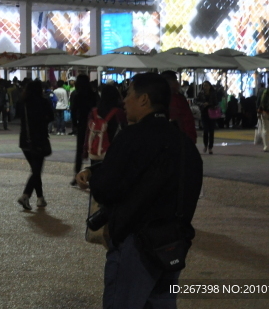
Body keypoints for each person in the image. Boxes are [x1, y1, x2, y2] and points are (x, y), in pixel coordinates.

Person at [76, 73, 204, 309]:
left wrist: (95, 179)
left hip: (136, 245)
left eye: (129, 94)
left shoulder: (131, 138)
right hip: (173, 243)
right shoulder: (184, 144)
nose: (124, 101)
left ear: (144, 100)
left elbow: (105, 189)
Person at [18, 78, 53, 209]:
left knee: (35, 170)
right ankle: (26, 195)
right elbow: (51, 117)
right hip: (39, 140)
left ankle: (40, 198)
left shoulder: (23, 103)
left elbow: (18, 116)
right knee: (37, 170)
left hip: (25, 140)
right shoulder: (43, 102)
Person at [69, 74, 98, 186]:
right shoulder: (93, 95)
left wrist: (74, 124)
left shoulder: (76, 95)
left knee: (80, 150)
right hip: (93, 124)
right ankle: (92, 174)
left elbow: (73, 111)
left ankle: (77, 175)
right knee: (92, 149)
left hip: (82, 124)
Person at [161, 71, 197, 145]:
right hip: (179, 141)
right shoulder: (177, 100)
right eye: (176, 80)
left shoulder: (157, 99)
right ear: (170, 83)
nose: (178, 83)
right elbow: (187, 121)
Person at [196, 80, 219, 154]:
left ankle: (210, 147)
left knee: (211, 131)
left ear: (209, 86)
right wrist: (202, 104)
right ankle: (205, 145)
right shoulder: (200, 93)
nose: (205, 87)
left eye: (206, 85)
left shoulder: (213, 93)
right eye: (204, 85)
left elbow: (216, 102)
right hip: (204, 113)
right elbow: (196, 101)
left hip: (212, 113)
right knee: (205, 130)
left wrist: (209, 104)